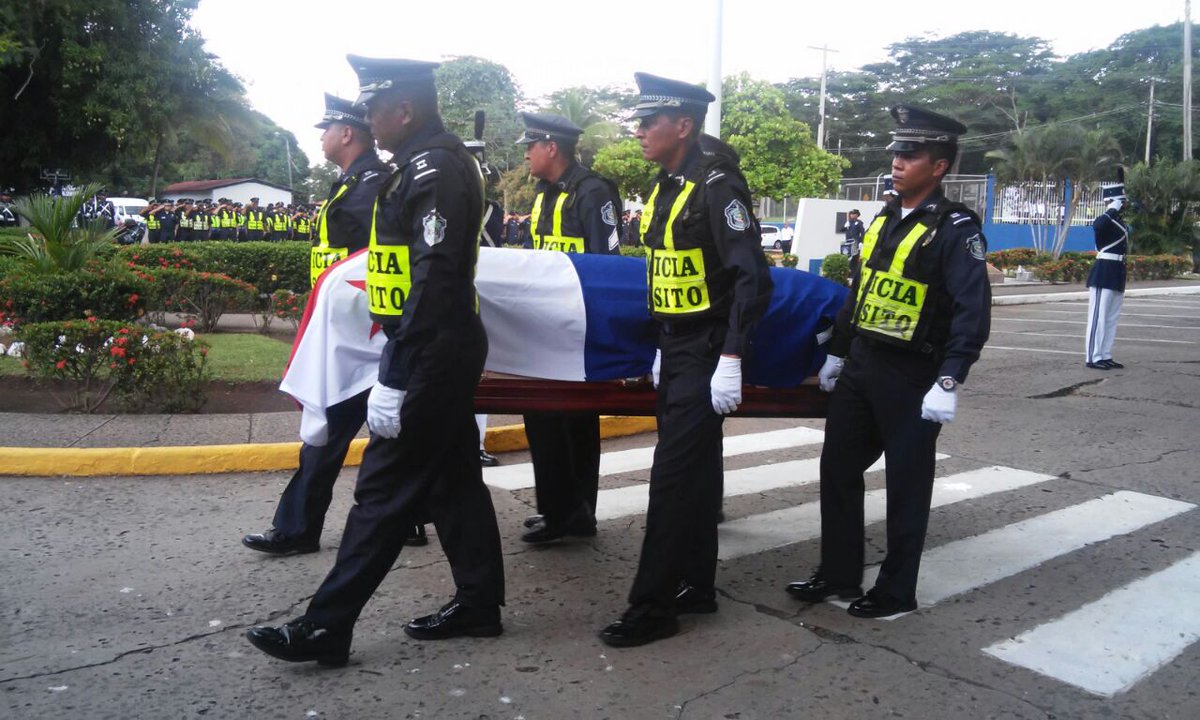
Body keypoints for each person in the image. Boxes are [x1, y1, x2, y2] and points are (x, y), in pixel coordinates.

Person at [245, 55, 505, 666]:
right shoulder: (415, 166)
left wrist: (392, 375)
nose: (366, 120)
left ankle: (325, 626)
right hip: (426, 346)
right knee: (452, 481)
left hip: (430, 352)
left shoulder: (436, 167)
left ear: (405, 110)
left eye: (373, 110)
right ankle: (479, 603)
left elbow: (436, 281)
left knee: (382, 489)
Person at [784, 105, 991, 619]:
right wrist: (836, 351)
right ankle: (838, 572)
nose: (897, 161)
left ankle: (896, 589)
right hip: (863, 365)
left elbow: (972, 307)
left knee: (906, 484)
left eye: (910, 154)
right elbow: (863, 289)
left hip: (913, 375)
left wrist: (950, 378)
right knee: (837, 469)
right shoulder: (885, 215)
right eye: (896, 152)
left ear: (939, 166)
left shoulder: (956, 227)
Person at [599, 73, 773, 647]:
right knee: (693, 475)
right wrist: (658, 344)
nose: (640, 131)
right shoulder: (666, 184)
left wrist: (730, 355)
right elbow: (667, 269)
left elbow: (753, 279)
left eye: (650, 122)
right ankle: (695, 586)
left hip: (705, 350)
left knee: (671, 478)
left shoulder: (717, 185)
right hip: (674, 347)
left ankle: (651, 607)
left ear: (683, 125)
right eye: (640, 122)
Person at [241, 93, 392, 557]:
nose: (322, 138)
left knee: (329, 429)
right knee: (378, 434)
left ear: (347, 134)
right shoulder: (350, 182)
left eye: (326, 130)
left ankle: (297, 529)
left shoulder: (372, 184)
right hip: (344, 327)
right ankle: (405, 520)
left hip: (363, 333)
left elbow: (378, 261)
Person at [515, 111, 622, 544]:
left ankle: (574, 512)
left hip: (577, 330)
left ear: (551, 147)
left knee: (573, 421)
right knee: (542, 418)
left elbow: (608, 265)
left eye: (530, 146)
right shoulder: (543, 194)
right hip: (543, 327)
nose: (525, 154)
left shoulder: (593, 192)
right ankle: (559, 508)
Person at [1084, 182, 1129, 370]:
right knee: (1098, 317)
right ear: (1111, 201)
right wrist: (1111, 209)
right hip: (1104, 270)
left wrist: (1114, 211)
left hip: (1117, 270)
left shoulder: (1117, 221)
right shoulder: (1106, 219)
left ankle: (1105, 354)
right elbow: (1098, 225)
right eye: (1120, 201)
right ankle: (1093, 357)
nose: (1123, 205)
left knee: (1111, 317)